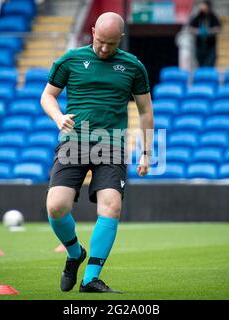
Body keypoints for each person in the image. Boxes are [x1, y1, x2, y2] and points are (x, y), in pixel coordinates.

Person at [40, 12, 154, 293]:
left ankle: (91, 278)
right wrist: (58, 118)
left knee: (112, 205)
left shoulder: (133, 67)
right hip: (74, 141)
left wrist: (147, 153)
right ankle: (74, 253)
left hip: (112, 143)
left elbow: (145, 110)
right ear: (92, 31)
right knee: (56, 206)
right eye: (101, 41)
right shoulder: (70, 60)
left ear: (121, 40)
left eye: (111, 44)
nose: (104, 49)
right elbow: (47, 96)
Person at [188, 0, 222, 67]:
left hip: (210, 46)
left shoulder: (213, 16)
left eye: (204, 6)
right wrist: (197, 31)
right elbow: (190, 27)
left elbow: (218, 28)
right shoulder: (198, 16)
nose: (202, 8)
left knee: (209, 64)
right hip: (200, 45)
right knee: (201, 64)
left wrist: (209, 31)